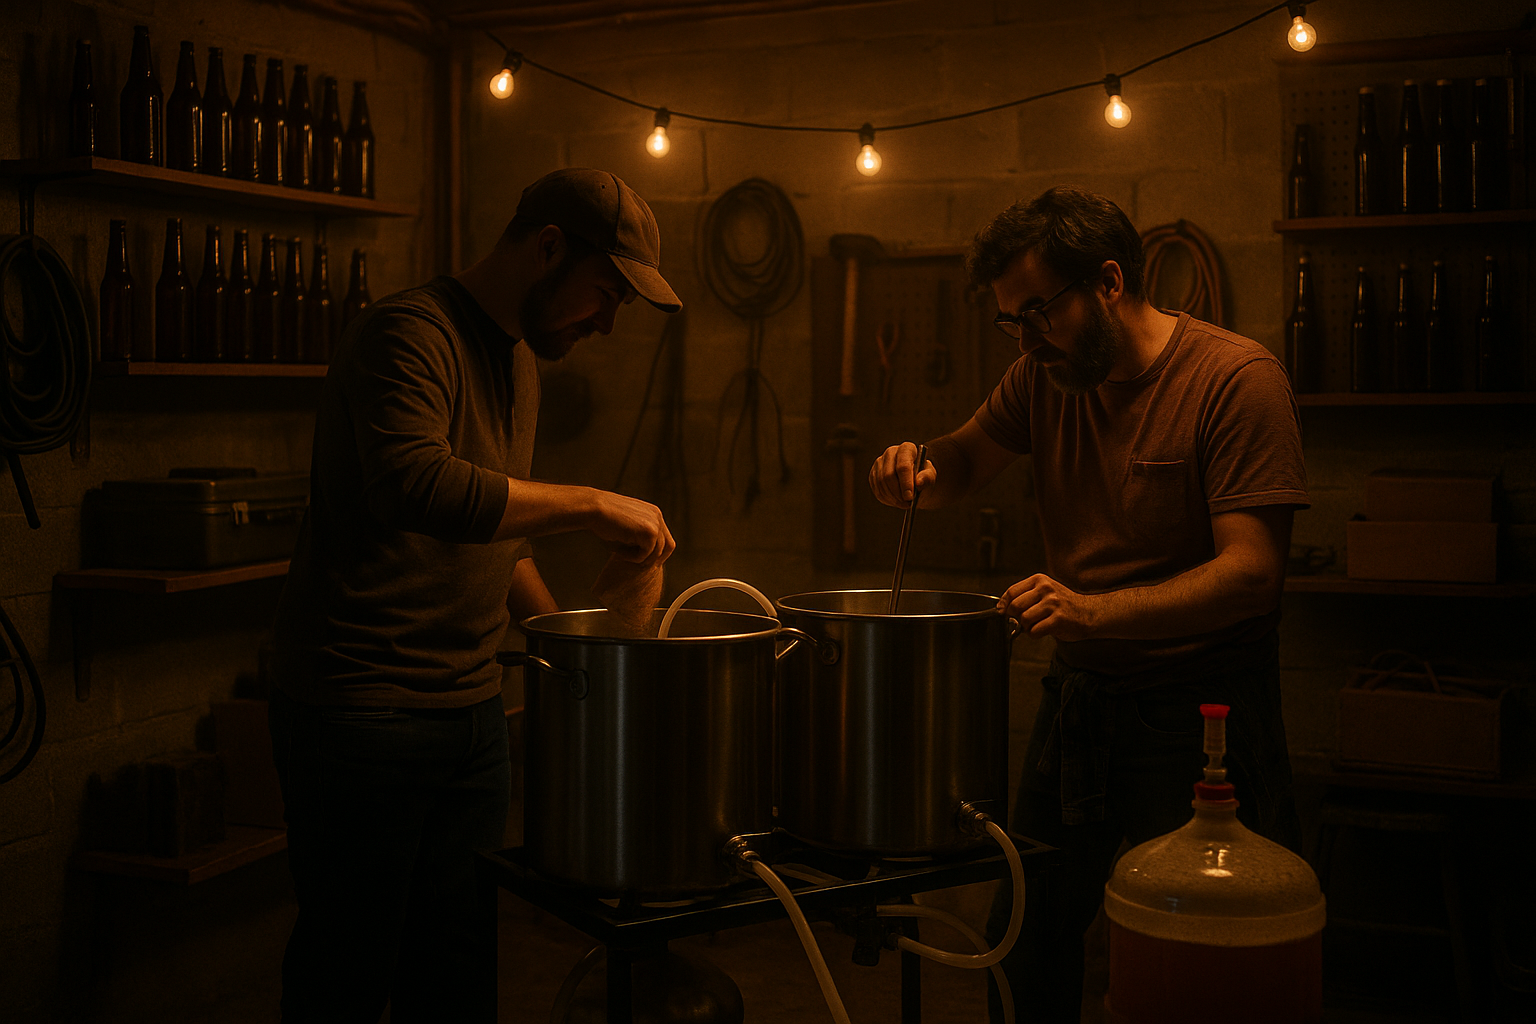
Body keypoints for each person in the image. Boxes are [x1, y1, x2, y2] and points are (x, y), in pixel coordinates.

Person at [868, 185, 1308, 1023]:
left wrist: (1092, 612)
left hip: (1200, 709)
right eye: (1012, 323)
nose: (1027, 343)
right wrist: (916, 468)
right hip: (1082, 700)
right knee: (1025, 935)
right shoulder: (1045, 376)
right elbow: (962, 458)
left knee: (1189, 945)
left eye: (1038, 313)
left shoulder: (1235, 380)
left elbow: (1253, 573)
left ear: (1109, 281)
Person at [267, 168, 682, 1023]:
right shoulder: (407, 335)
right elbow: (415, 485)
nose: (605, 322)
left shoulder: (520, 360)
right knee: (348, 967)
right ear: (547, 248)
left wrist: (581, 645)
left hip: (471, 711)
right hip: (362, 711)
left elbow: (497, 536)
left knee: (455, 969)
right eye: (604, 293)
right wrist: (593, 502)